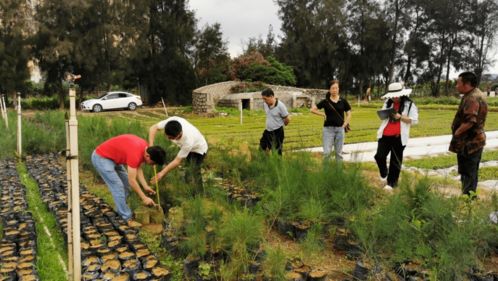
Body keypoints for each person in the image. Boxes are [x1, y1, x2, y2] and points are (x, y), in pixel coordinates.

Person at [91, 134, 166, 227]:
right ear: (147, 156)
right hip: (101, 157)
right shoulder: (135, 153)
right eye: (153, 162)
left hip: (114, 158)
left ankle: (119, 211)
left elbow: (138, 168)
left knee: (126, 185)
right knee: (118, 187)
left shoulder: (144, 147)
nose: (152, 165)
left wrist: (145, 187)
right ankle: (126, 218)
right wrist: (144, 198)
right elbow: (132, 180)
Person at [449, 72, 488, 196]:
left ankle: (468, 199)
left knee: (468, 172)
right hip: (471, 141)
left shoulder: (472, 98)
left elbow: (470, 121)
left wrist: (457, 133)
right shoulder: (473, 94)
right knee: (470, 172)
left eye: (458, 83)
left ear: (466, 84)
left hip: (470, 142)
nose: (456, 86)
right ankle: (468, 196)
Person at [374, 82, 418, 190]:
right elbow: (384, 116)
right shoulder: (388, 102)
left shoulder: (410, 104)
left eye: (397, 95)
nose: (395, 98)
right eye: (393, 96)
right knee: (379, 156)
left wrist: (400, 117)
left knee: (395, 160)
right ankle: (384, 173)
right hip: (385, 134)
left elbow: (415, 121)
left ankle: (391, 183)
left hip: (399, 137)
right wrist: (384, 114)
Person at [149, 116, 208, 192]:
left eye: (171, 138)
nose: (168, 139)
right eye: (167, 136)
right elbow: (153, 128)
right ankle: (188, 187)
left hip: (198, 149)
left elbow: (177, 161)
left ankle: (199, 193)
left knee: (194, 169)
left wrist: (162, 173)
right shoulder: (172, 122)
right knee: (188, 168)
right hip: (186, 146)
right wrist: (151, 148)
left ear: (179, 134)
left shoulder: (188, 141)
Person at [311, 80, 351, 162]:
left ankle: (338, 173)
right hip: (328, 130)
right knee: (327, 153)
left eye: (336, 88)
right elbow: (312, 110)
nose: (334, 90)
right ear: (329, 90)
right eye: (333, 88)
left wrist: (345, 124)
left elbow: (349, 114)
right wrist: (323, 114)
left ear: (338, 89)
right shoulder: (325, 101)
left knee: (339, 154)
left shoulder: (343, 101)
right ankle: (326, 173)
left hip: (340, 130)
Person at [259, 88, 290, 155]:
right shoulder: (265, 104)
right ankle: (264, 162)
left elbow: (287, 119)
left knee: (276, 152)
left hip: (277, 132)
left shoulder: (281, 106)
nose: (264, 101)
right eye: (263, 99)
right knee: (261, 148)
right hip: (267, 131)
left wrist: (280, 125)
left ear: (271, 96)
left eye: (265, 99)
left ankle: (278, 164)